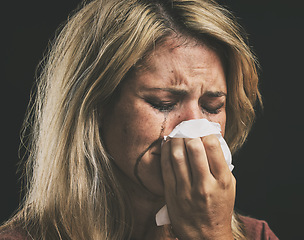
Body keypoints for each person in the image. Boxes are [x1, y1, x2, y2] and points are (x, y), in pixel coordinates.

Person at [0, 0, 278, 239]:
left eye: (212, 106)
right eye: (164, 104)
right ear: (96, 108)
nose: (194, 129)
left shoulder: (256, 235)